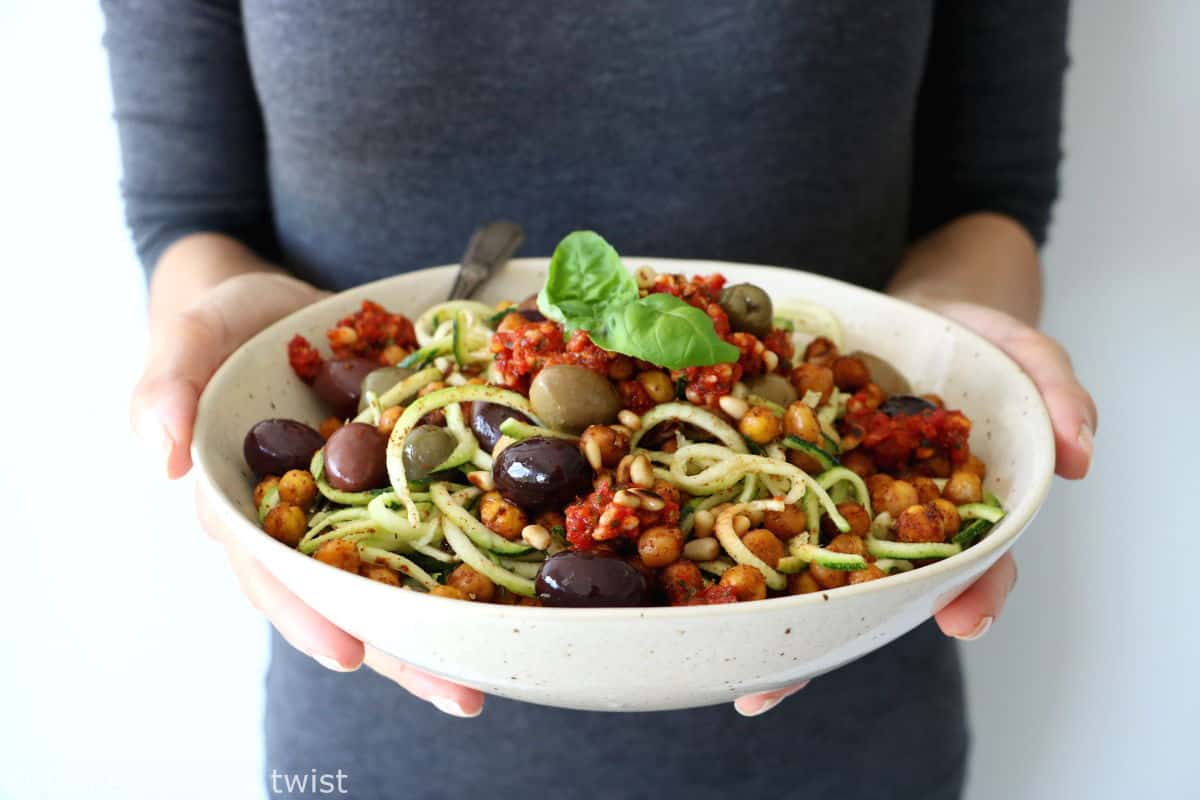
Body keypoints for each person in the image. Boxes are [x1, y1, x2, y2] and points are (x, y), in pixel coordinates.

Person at [104, 2, 1095, 798]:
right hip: (380, 730)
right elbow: (193, 213)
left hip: (842, 713)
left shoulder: (765, 421)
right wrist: (226, 339)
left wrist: (951, 341)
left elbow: (992, 193)